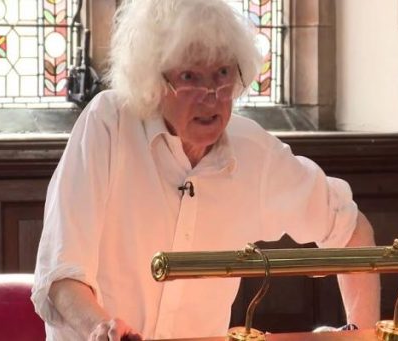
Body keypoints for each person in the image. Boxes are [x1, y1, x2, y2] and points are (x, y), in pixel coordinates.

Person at [31, 0, 380, 340]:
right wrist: (98, 328)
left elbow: (352, 231)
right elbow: (61, 275)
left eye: (222, 74)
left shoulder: (255, 154)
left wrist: (362, 334)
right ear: (154, 82)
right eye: (190, 77)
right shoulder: (109, 124)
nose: (211, 96)